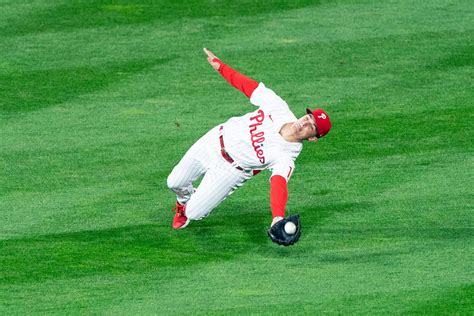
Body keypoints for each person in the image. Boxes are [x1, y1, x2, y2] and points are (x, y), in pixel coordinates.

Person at [166, 48, 331, 232]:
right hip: (213, 141)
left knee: (194, 213)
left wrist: (277, 217)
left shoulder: (286, 157)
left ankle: (188, 208)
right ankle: (183, 200)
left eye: (312, 126)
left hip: (230, 171)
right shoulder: (278, 107)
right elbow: (249, 86)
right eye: (308, 117)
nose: (305, 122)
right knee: (174, 182)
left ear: (314, 138)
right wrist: (221, 67)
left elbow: (278, 184)